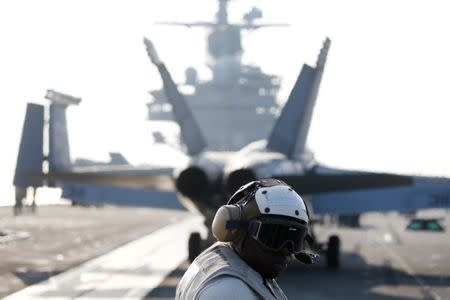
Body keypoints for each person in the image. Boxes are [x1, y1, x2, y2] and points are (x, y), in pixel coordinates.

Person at [176, 178, 317, 300]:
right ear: (237, 230)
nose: (286, 250)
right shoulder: (231, 292)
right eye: (274, 237)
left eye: (295, 239)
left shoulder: (213, 261)